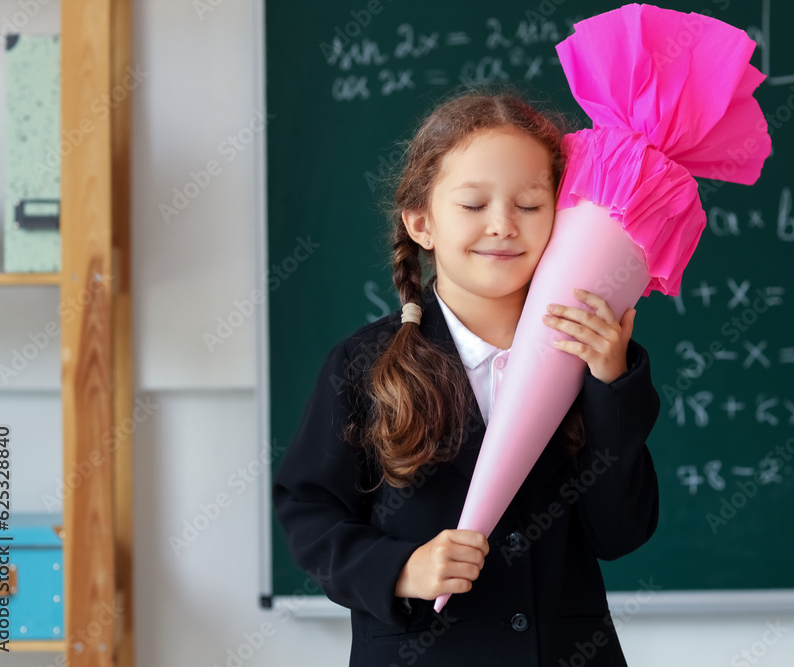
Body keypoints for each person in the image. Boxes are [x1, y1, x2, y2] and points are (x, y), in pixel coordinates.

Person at [272, 87, 662, 666]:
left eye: (531, 206)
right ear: (422, 223)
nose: (503, 225)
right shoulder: (364, 364)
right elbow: (309, 512)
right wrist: (402, 569)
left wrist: (610, 386)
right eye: (474, 205)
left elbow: (619, 533)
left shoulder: (594, 357)